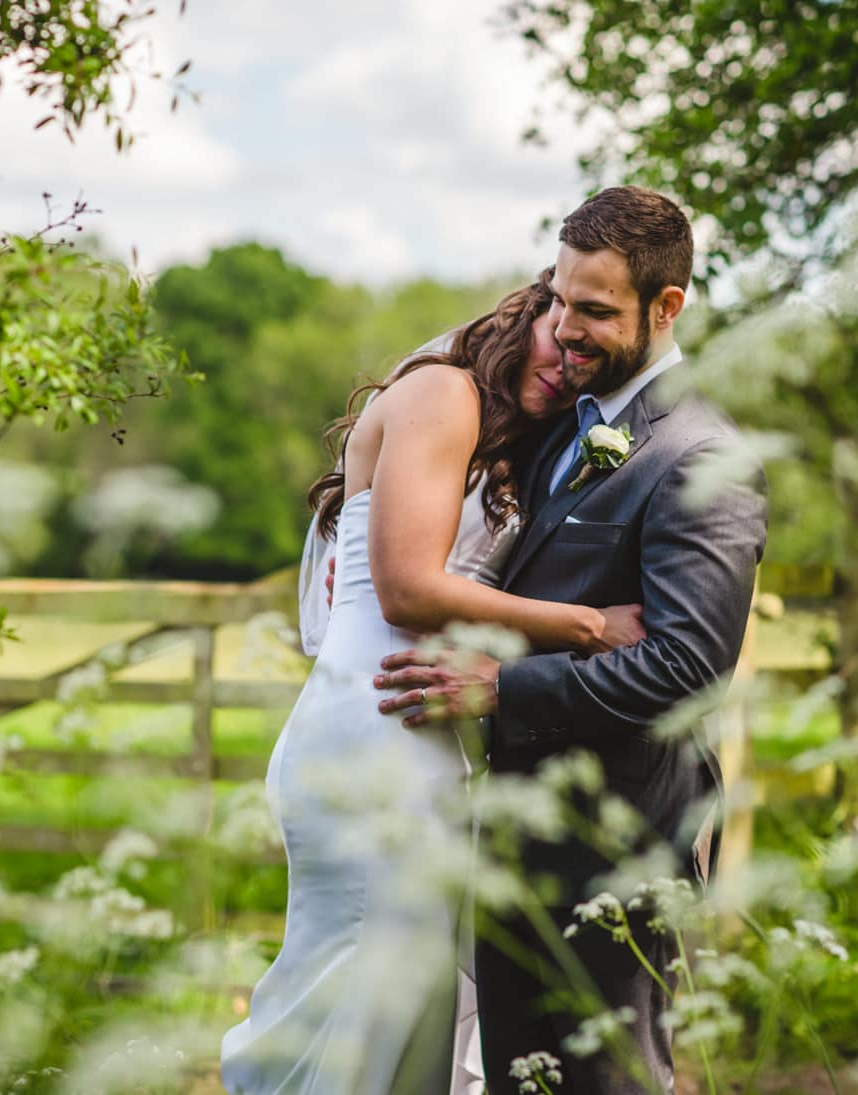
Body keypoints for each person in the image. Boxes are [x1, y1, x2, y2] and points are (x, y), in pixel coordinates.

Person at [374, 187, 769, 1094]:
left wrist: (501, 692)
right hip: (519, 832)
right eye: (558, 299)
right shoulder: (565, 427)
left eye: (594, 310)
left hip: (619, 845)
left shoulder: (703, 457)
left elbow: (685, 666)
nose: (565, 327)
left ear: (667, 308)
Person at [220, 276, 647, 1094]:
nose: (566, 363)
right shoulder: (442, 393)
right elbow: (407, 590)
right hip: (375, 726)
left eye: (584, 355)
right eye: (556, 333)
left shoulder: (508, 448)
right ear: (520, 318)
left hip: (432, 740)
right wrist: (589, 627)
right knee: (351, 1003)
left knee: (409, 1015)